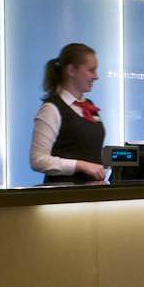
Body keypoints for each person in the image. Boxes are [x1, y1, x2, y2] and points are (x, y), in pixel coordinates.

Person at [30, 42, 107, 184]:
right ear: (71, 70)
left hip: (91, 192)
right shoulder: (51, 109)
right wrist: (81, 165)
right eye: (91, 70)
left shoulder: (89, 106)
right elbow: (37, 160)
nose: (96, 76)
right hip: (63, 194)